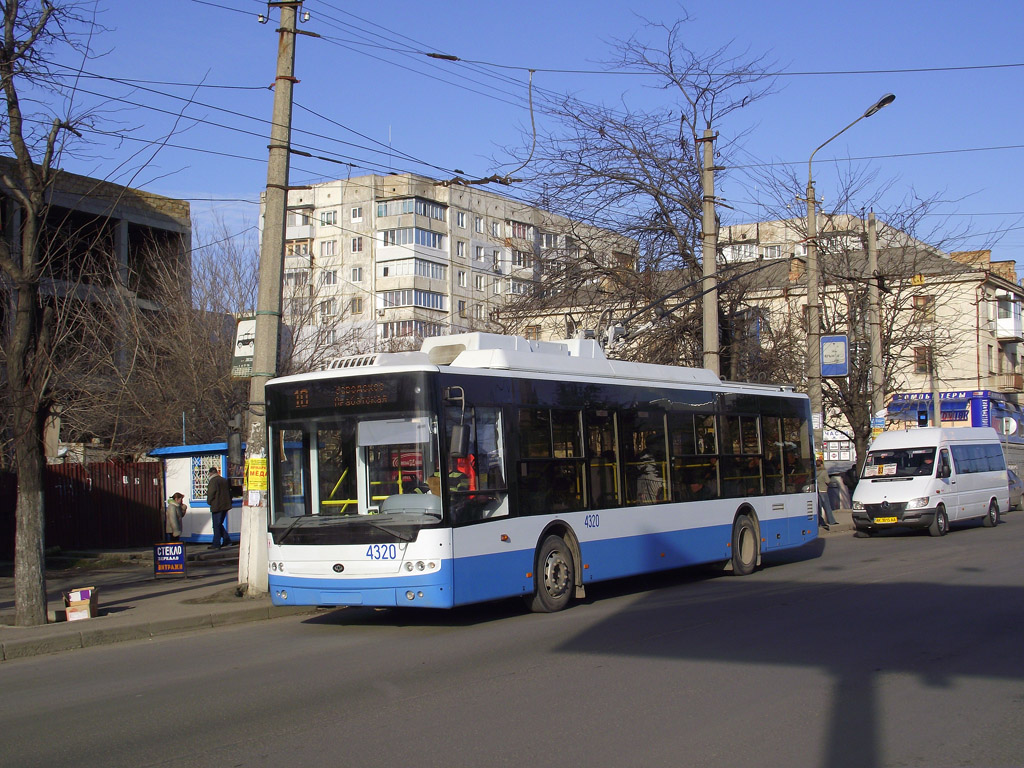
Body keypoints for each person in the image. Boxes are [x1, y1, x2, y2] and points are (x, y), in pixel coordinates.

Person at [206, 466, 233, 549]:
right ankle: (227, 540)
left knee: (216, 525)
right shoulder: (224, 480)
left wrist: (209, 501)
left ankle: (216, 544)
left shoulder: (213, 481)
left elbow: (211, 493)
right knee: (219, 524)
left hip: (217, 506)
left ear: (211, 473)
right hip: (225, 505)